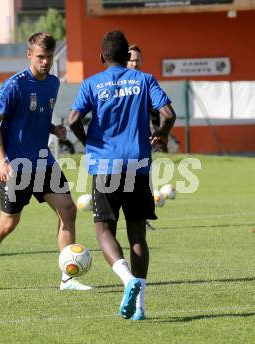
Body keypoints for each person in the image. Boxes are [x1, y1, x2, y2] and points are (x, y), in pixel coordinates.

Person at [0, 32, 92, 291]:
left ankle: (68, 276)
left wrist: (54, 129)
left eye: (49, 57)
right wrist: (2, 161)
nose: (45, 62)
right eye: (41, 57)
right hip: (16, 164)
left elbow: (36, 117)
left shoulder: (53, 83)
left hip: (43, 160)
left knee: (67, 209)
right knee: (9, 222)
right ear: (29, 55)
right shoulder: (15, 85)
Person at [68, 31, 176, 320]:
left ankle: (126, 279)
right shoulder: (144, 80)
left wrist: (87, 142)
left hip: (105, 166)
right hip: (138, 166)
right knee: (138, 235)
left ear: (101, 57)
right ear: (128, 54)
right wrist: (161, 135)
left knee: (104, 230)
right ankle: (140, 306)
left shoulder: (92, 83)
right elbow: (168, 114)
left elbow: (73, 120)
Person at [127, 44, 170, 154]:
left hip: (141, 143)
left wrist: (160, 139)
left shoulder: (147, 83)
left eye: (137, 60)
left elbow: (155, 115)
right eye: (131, 60)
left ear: (142, 61)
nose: (135, 64)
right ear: (125, 61)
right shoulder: (114, 83)